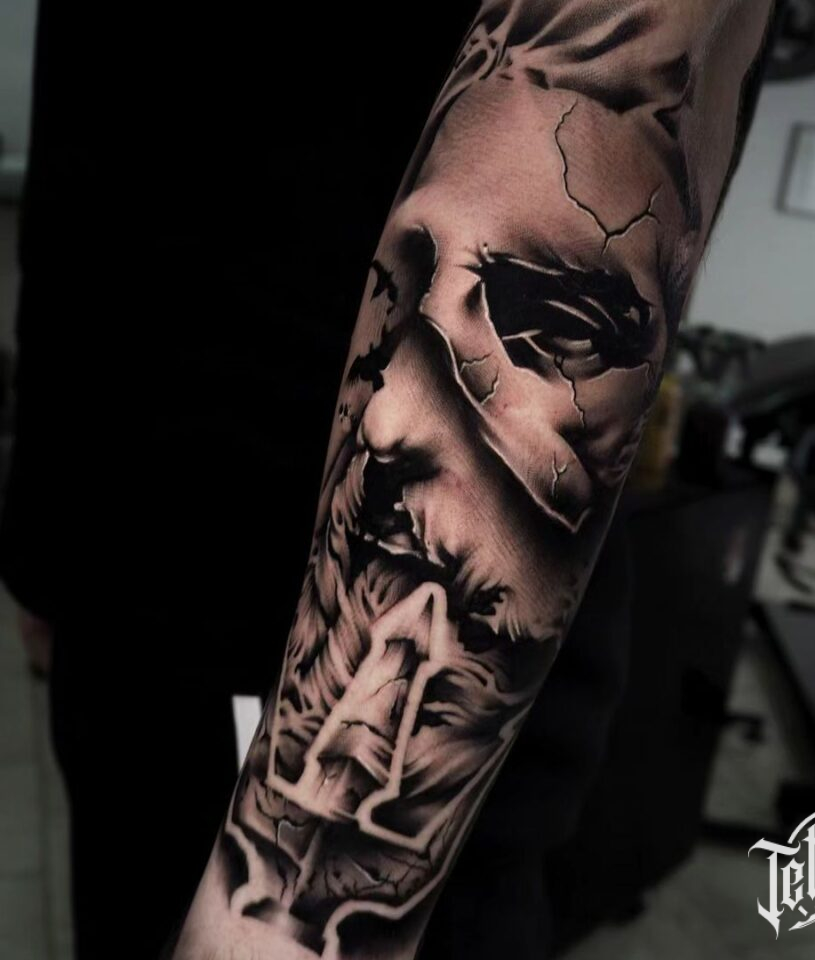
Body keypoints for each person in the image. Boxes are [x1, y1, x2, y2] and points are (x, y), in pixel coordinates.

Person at [2, 2, 774, 957]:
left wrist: (291, 913)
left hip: (322, 639)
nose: (402, 416)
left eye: (544, 329)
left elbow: (598, 160)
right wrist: (48, 519)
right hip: (124, 561)